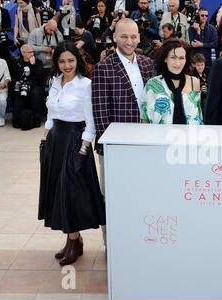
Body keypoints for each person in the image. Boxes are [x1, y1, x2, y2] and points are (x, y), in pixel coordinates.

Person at [38, 40, 105, 266]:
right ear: (57, 63)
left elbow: (91, 121)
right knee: (58, 192)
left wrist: (83, 150)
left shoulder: (86, 85)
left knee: (70, 193)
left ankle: (74, 242)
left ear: (78, 60)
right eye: (62, 61)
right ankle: (73, 240)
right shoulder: (54, 81)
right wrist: (45, 141)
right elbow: (50, 114)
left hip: (75, 142)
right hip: (55, 141)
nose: (67, 65)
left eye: (71, 60)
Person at [92, 18, 155, 246]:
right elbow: (100, 113)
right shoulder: (103, 68)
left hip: (145, 146)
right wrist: (108, 148)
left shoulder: (148, 64)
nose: (129, 41)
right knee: (112, 198)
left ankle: (138, 240)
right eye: (124, 36)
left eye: (133, 36)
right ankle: (112, 243)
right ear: (115, 37)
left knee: (140, 195)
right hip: (115, 149)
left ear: (139, 37)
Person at [141, 38, 202, 124]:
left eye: (181, 58)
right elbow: (145, 118)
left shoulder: (194, 82)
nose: (178, 63)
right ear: (165, 58)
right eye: (173, 57)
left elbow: (198, 116)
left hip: (189, 136)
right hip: (159, 136)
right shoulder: (152, 84)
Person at [12, 44, 46, 129]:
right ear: (23, 53)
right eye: (29, 52)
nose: (32, 54)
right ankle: (16, 120)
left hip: (35, 85)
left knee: (35, 94)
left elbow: (40, 78)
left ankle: (36, 119)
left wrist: (33, 65)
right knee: (18, 94)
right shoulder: (17, 62)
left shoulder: (38, 62)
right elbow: (13, 77)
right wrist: (16, 82)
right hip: (22, 85)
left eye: (32, 52)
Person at [0, 45, 10, 127]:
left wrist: (5, 83)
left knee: (2, 100)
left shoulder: (2, 62)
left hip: (1, 89)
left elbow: (8, 77)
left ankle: (1, 118)